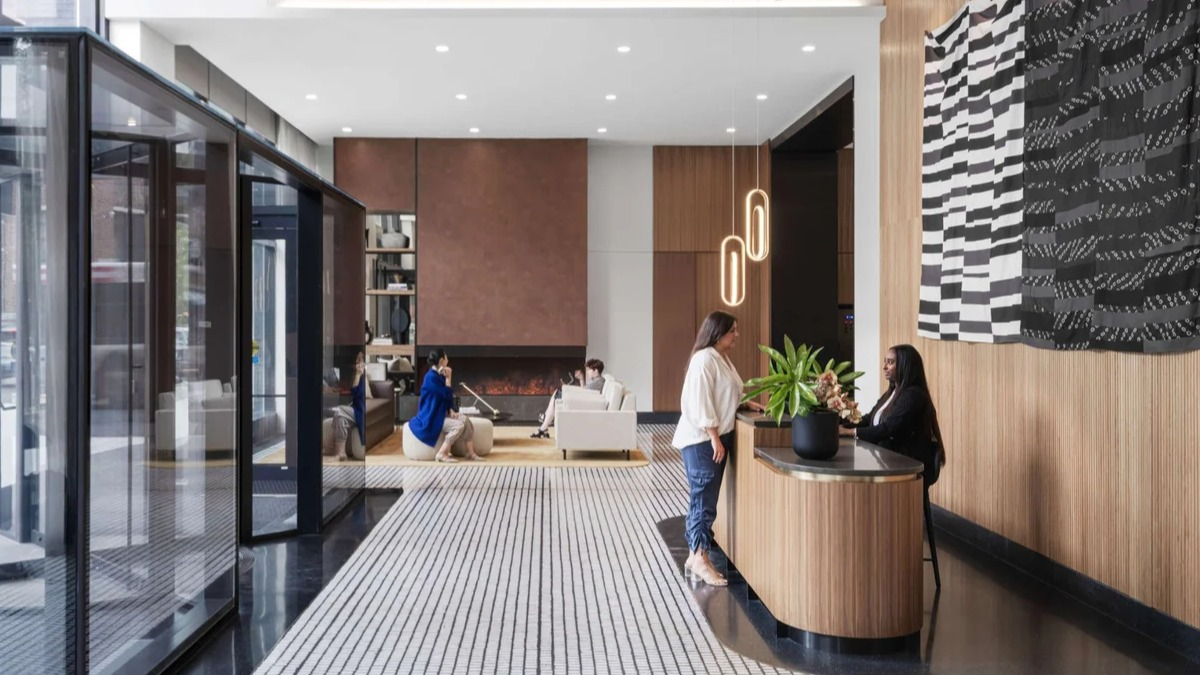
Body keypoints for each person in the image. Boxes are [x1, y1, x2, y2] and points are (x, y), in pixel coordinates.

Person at [672, 311, 764, 586]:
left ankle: (696, 554)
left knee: (703, 499)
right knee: (703, 500)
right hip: (702, 441)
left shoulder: (720, 358)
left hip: (710, 437)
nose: (737, 335)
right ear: (718, 332)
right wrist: (713, 435)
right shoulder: (704, 360)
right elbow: (701, 402)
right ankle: (699, 557)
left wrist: (745, 404)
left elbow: (726, 393)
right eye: (732, 331)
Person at [841, 344, 945, 486]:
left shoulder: (913, 395)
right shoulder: (892, 392)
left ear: (904, 366)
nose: (884, 367)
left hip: (905, 464)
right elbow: (868, 419)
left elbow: (889, 428)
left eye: (890, 362)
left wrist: (849, 432)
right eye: (885, 361)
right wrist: (841, 425)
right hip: (887, 459)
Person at [408, 349, 483, 463]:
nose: (448, 361)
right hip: (433, 418)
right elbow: (445, 394)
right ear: (442, 360)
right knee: (458, 426)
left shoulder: (440, 375)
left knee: (466, 421)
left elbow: (447, 398)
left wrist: (451, 409)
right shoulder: (430, 378)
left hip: (442, 414)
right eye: (447, 358)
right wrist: (449, 379)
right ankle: (442, 453)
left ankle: (470, 453)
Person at [530, 358, 605, 439]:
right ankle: (545, 422)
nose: (587, 372)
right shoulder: (598, 381)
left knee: (558, 393)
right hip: (581, 401)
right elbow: (585, 392)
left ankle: (545, 423)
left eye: (589, 370)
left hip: (579, 404)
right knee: (558, 392)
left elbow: (584, 393)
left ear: (596, 371)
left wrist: (570, 388)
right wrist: (580, 380)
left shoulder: (597, 382)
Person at [328, 352, 366, 462]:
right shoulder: (358, 375)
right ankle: (341, 453)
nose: (357, 361)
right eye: (357, 359)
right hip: (356, 408)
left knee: (339, 410)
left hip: (361, 410)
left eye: (360, 359)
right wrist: (358, 375)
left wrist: (360, 375)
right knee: (341, 418)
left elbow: (361, 394)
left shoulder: (365, 375)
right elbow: (354, 392)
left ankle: (337, 452)